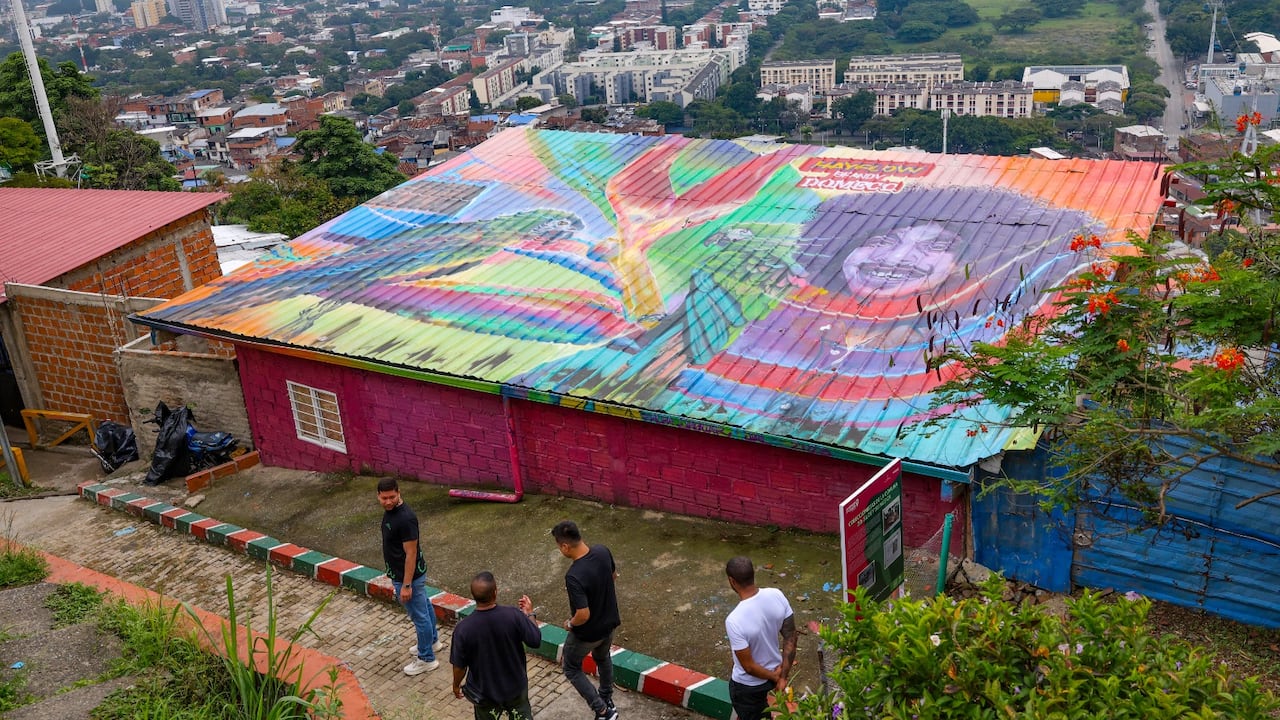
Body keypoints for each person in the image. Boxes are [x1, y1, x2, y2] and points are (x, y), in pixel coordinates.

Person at [552, 520, 621, 720]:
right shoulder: (602, 551)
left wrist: (570, 624)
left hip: (586, 634)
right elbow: (613, 576)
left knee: (571, 668)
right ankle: (607, 697)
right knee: (603, 658)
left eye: (559, 547)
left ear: (565, 546)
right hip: (609, 624)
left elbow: (583, 614)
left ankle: (602, 711)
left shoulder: (574, 576)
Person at [450, 571, 542, 720]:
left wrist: (456, 685)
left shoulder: (463, 629)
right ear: (495, 592)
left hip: (484, 692)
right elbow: (535, 640)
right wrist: (529, 614)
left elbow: (459, 666)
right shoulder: (513, 615)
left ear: (473, 596)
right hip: (515, 687)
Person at [377, 476, 441, 675]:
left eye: (392, 497)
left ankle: (426, 658)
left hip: (409, 577)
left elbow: (411, 553)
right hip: (407, 575)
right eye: (384, 498)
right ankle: (432, 642)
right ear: (378, 496)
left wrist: (406, 585)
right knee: (425, 607)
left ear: (399, 492)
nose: (388, 501)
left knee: (419, 617)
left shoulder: (405, 519)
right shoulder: (392, 513)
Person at [724, 556, 797, 720]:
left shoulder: (734, 620)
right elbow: (791, 636)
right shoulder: (776, 595)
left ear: (732, 581)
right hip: (775, 671)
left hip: (749, 686)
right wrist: (782, 676)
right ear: (753, 574)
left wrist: (775, 677)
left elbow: (749, 667)